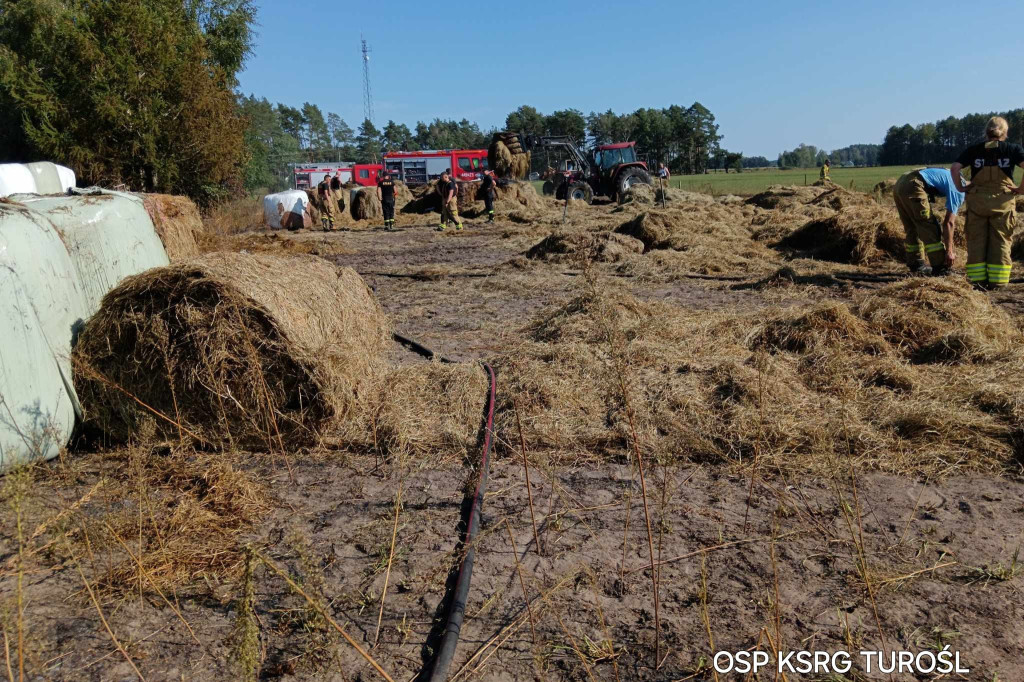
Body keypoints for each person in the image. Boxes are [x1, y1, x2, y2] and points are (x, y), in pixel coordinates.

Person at [950, 116, 1024, 289]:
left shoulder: (974, 150)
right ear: (1005, 132)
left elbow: (954, 168)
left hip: (977, 203)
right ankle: (998, 282)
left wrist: (960, 187)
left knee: (976, 240)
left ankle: (977, 281)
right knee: (1001, 240)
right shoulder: (1012, 149)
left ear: (986, 132)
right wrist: (1021, 189)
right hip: (1003, 203)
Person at [893, 168, 963, 276]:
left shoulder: (952, 176)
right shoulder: (959, 189)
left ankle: (916, 264)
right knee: (929, 226)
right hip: (914, 184)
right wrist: (949, 251)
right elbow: (948, 223)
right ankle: (941, 268)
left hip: (901, 183)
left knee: (912, 227)